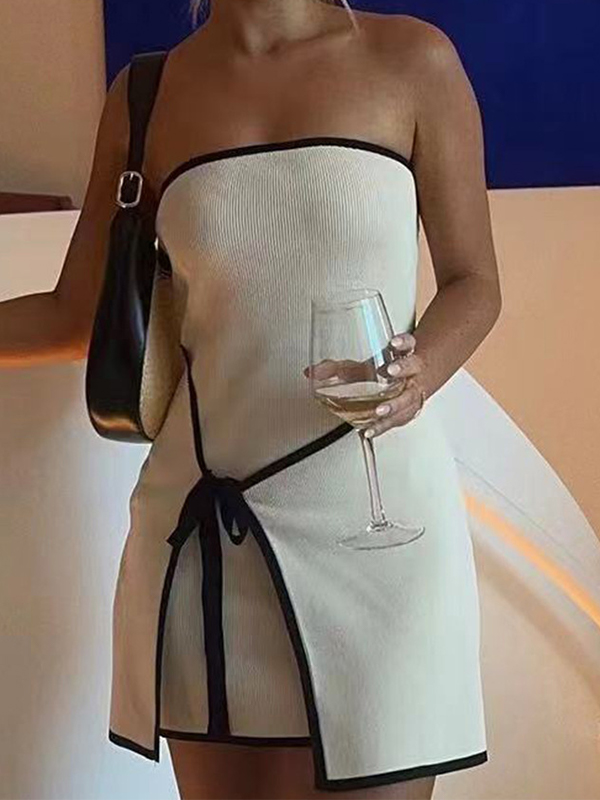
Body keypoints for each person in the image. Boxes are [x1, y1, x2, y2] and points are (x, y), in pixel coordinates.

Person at [0, 0, 502, 797]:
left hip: (377, 532)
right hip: (204, 535)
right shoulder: (144, 96)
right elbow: (73, 314)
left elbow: (475, 283)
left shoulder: (414, 61)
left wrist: (419, 372)